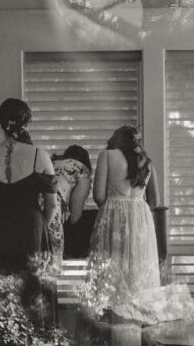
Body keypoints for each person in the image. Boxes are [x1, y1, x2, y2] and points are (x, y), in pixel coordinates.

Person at [0, 98, 57, 273]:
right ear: (26, 123)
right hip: (30, 227)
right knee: (30, 287)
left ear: (1, 123)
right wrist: (41, 225)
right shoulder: (39, 156)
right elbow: (52, 204)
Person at [88, 125, 160, 306]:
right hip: (140, 219)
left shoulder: (107, 156)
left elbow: (98, 195)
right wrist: (136, 205)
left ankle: (112, 320)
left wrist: (112, 208)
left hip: (113, 216)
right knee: (137, 269)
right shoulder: (146, 161)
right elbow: (155, 202)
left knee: (111, 268)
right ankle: (135, 322)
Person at [48, 145, 92, 263]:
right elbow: (75, 216)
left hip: (29, 209)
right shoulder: (82, 170)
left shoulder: (51, 163)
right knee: (54, 263)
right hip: (52, 207)